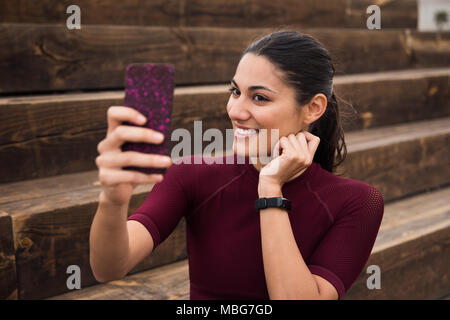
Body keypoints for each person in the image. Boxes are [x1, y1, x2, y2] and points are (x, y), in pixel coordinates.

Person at [90, 30, 384, 300]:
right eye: (235, 91)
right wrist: (113, 200)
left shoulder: (358, 202)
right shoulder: (191, 174)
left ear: (313, 108)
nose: (236, 110)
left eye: (259, 97)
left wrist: (270, 189)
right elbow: (109, 268)